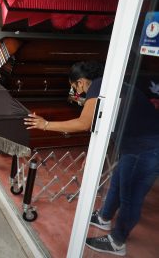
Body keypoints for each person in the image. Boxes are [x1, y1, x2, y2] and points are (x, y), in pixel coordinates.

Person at [24, 61, 159, 256]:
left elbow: (83, 123)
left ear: (80, 82)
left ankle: (117, 241)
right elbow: (106, 124)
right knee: (117, 184)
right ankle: (104, 218)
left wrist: (45, 125)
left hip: (147, 149)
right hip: (134, 146)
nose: (77, 93)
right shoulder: (108, 85)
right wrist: (96, 152)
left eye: (74, 88)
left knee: (130, 197)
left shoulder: (98, 86)